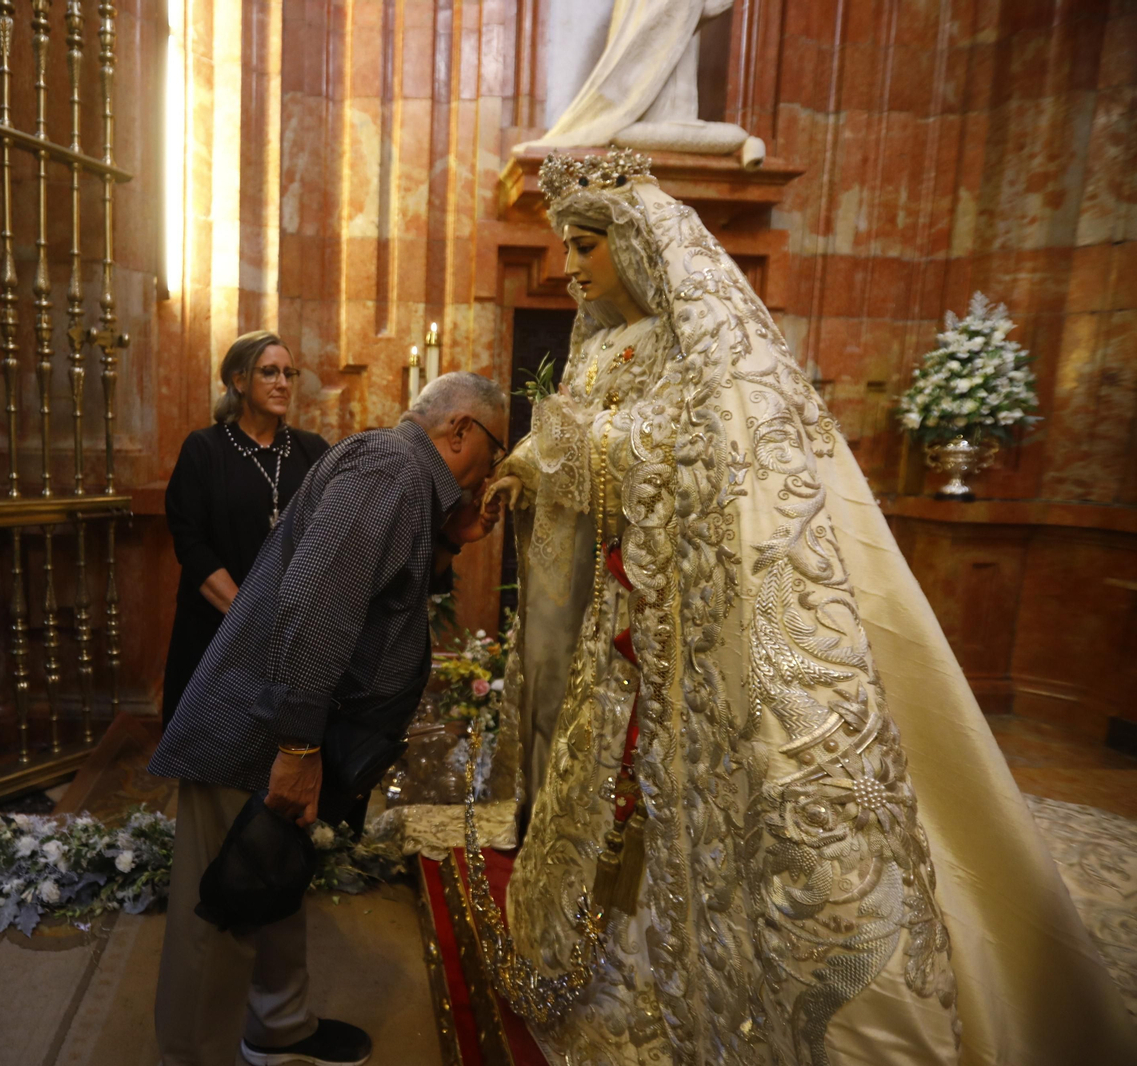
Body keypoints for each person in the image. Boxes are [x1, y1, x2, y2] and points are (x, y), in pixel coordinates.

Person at [476, 150, 1137, 1064]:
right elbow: (584, 444)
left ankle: (682, 987)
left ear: (637, 244)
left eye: (587, 245)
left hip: (696, 637)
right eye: (565, 248)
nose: (570, 267)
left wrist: (574, 449)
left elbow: (702, 449)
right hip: (619, 623)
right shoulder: (596, 349)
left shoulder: (699, 343)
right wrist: (531, 464)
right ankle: (602, 952)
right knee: (606, 794)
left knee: (709, 816)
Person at [149, 371, 509, 1066]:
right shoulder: (392, 468)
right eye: (493, 451)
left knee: (270, 874)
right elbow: (317, 604)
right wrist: (297, 746)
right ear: (461, 429)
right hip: (257, 728)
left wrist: (453, 537)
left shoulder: (408, 481)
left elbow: (384, 595)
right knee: (220, 905)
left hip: (285, 724)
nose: (490, 470)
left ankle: (278, 1026)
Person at [162, 331, 329, 725]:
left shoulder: (312, 450)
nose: (283, 383)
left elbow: (328, 538)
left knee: (282, 747)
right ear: (239, 380)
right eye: (269, 372)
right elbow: (191, 545)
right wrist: (249, 619)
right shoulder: (204, 449)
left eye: (289, 373)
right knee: (211, 748)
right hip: (216, 632)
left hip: (292, 637)